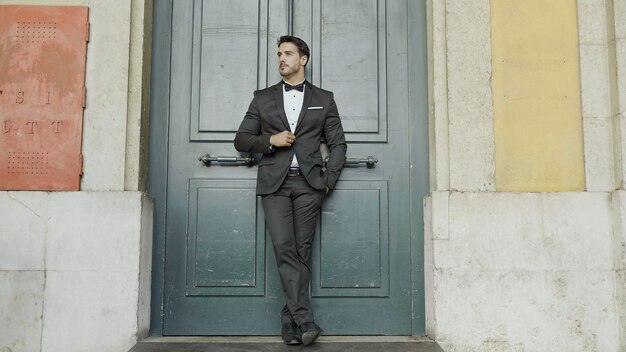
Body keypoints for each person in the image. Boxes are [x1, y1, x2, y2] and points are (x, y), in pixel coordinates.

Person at [234, 35, 347, 346]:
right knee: (285, 248)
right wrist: (269, 141)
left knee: (301, 252)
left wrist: (329, 180)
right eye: (279, 54)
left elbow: (338, 144)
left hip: (310, 184)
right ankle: (305, 319)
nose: (281, 58)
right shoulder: (263, 98)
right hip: (275, 184)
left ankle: (290, 323)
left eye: (288, 53)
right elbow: (241, 139)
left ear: (303, 59)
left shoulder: (324, 98)